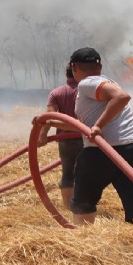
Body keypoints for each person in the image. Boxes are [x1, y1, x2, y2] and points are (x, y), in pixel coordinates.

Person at [37, 47, 133, 228]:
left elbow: (122, 97)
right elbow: (83, 127)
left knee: (83, 201)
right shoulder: (105, 83)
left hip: (104, 151)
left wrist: (98, 126)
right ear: (99, 66)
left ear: (74, 67)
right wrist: (50, 123)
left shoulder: (87, 83)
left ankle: (84, 242)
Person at [37, 65, 84, 210]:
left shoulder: (56, 93)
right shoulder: (87, 92)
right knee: (85, 171)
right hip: (87, 137)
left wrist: (43, 135)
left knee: (68, 172)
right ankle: (82, 205)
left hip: (65, 140)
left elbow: (50, 115)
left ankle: (67, 207)